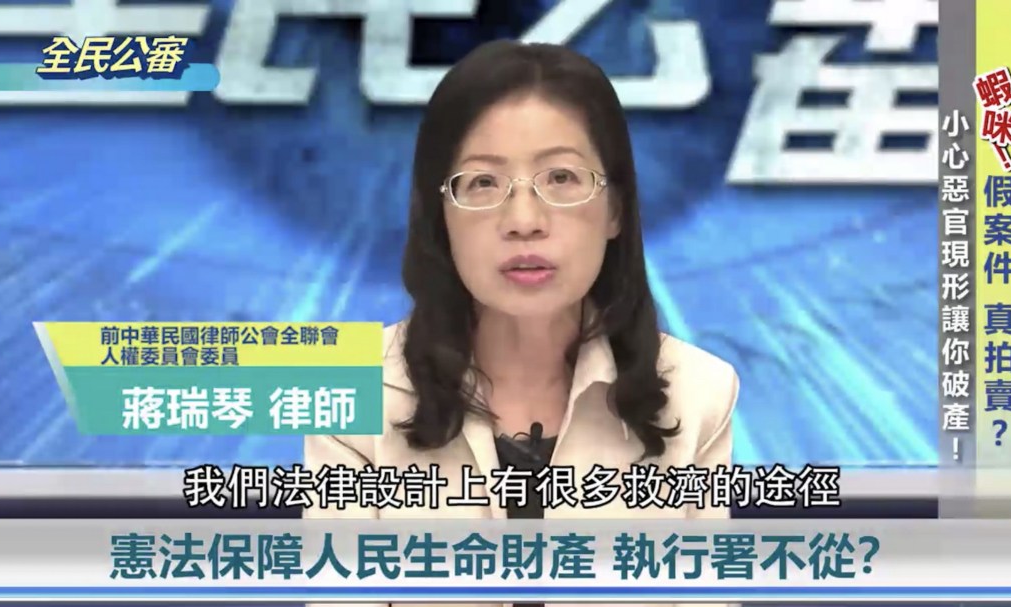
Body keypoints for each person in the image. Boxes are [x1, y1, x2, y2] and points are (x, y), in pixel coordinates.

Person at [306, 39, 739, 607]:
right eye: (483, 183)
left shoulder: (699, 392)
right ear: (440, 215)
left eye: (561, 178)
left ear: (615, 209)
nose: (524, 221)